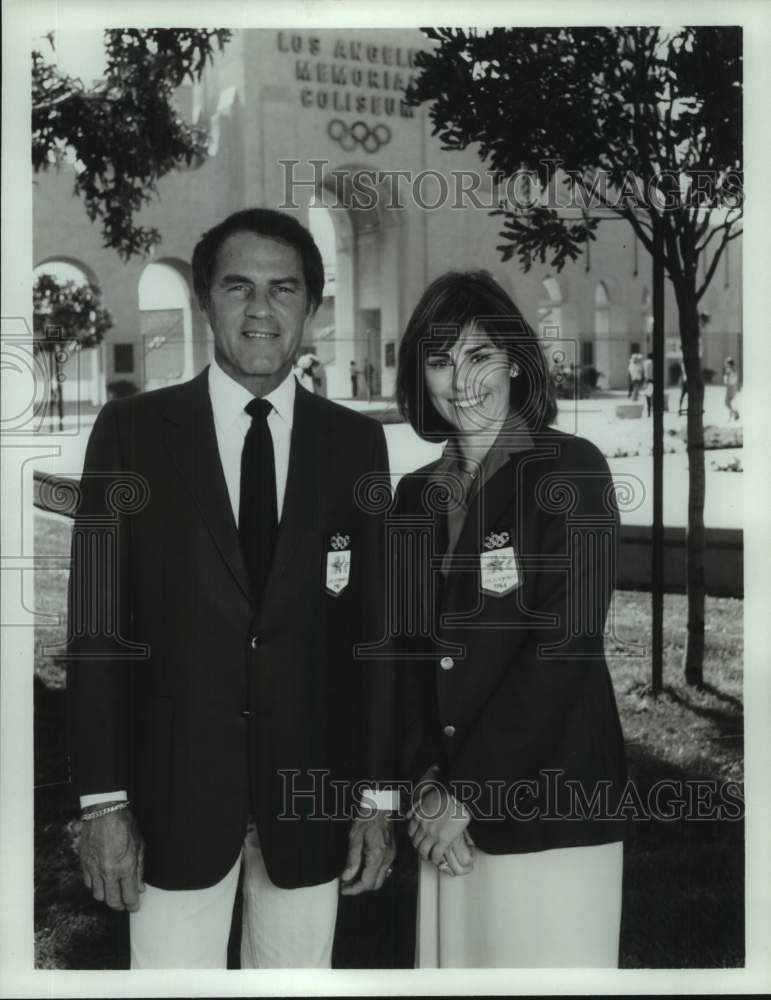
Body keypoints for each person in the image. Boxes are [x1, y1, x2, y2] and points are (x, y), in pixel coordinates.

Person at [67, 208, 395, 969]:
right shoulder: (133, 433)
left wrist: (377, 800)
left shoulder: (355, 443)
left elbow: (376, 637)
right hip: (170, 803)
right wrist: (103, 802)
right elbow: (95, 629)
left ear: (311, 307)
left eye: (283, 289)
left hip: (310, 804)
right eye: (237, 285)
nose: (260, 308)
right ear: (205, 299)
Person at [393, 271, 631, 968]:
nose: (461, 381)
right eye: (439, 360)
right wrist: (426, 785)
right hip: (444, 825)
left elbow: (565, 644)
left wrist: (467, 791)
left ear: (514, 364)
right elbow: (403, 657)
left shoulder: (570, 468)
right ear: (418, 376)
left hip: (550, 810)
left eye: (478, 355)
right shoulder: (413, 497)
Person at [722, 357, 739, 422]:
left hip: (730, 387)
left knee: (727, 403)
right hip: (734, 387)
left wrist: (725, 377)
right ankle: (731, 417)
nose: (725, 364)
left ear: (729, 364)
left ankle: (735, 414)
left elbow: (725, 380)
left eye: (726, 363)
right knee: (729, 403)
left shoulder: (728, 369)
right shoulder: (735, 370)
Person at [643, 352, 654, 417]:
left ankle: (648, 412)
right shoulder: (654, 362)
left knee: (648, 397)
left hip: (647, 380)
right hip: (653, 380)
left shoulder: (645, 363)